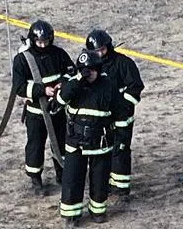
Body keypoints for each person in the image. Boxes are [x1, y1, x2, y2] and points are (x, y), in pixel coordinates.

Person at [57, 50, 130, 226]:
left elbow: (121, 114)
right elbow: (61, 99)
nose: (88, 74)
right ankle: (71, 215)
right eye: (84, 70)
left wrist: (121, 141)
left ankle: (98, 211)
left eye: (91, 70)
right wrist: (78, 79)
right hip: (76, 142)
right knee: (72, 179)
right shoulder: (73, 85)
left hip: (100, 142)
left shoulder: (108, 86)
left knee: (99, 178)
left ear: (98, 68)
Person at [12, 19, 73, 196]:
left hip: (57, 109)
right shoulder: (23, 60)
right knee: (35, 145)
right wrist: (42, 90)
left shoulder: (59, 54)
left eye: (46, 41)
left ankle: (62, 173)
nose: (43, 45)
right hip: (36, 112)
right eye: (39, 42)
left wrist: (61, 86)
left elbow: (70, 73)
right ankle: (35, 178)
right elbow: (19, 86)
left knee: (61, 143)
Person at [85, 29, 143, 198]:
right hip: (102, 118)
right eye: (96, 51)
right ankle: (107, 183)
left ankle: (122, 187)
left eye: (102, 49)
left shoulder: (123, 63)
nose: (100, 54)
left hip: (121, 118)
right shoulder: (91, 67)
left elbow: (135, 88)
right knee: (104, 150)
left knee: (121, 149)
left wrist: (121, 107)